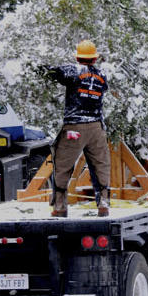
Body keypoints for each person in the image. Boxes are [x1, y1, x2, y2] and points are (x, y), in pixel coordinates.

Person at [43, 40, 110, 217]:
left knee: (63, 165)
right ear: (94, 59)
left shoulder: (74, 71)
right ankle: (103, 204)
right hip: (96, 128)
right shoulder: (102, 75)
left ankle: (60, 207)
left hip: (75, 128)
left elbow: (53, 72)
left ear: (78, 57)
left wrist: (35, 66)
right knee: (100, 166)